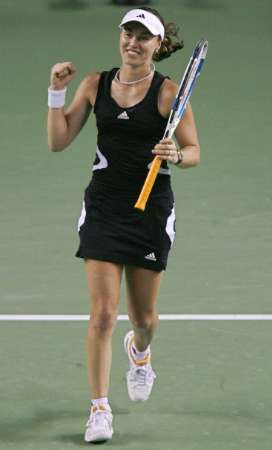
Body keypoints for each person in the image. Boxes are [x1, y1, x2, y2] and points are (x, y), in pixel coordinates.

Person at [47, 6, 200, 443]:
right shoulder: (96, 84)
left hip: (150, 211)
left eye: (142, 37)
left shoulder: (169, 93)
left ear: (157, 45)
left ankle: (140, 351)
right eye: (127, 34)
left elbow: (194, 151)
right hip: (104, 207)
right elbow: (59, 140)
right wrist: (56, 92)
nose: (133, 43)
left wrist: (176, 156)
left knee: (143, 317)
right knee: (101, 315)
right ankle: (99, 409)